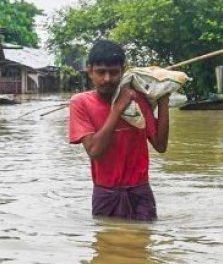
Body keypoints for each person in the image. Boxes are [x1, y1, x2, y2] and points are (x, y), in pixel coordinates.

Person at [68, 39, 170, 220]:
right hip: (106, 194)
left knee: (143, 246)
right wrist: (117, 110)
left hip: (140, 192)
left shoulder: (137, 98)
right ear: (90, 72)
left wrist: (163, 99)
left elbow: (160, 145)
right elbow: (94, 151)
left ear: (123, 72)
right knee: (107, 246)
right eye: (101, 72)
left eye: (114, 73)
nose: (107, 79)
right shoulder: (80, 102)